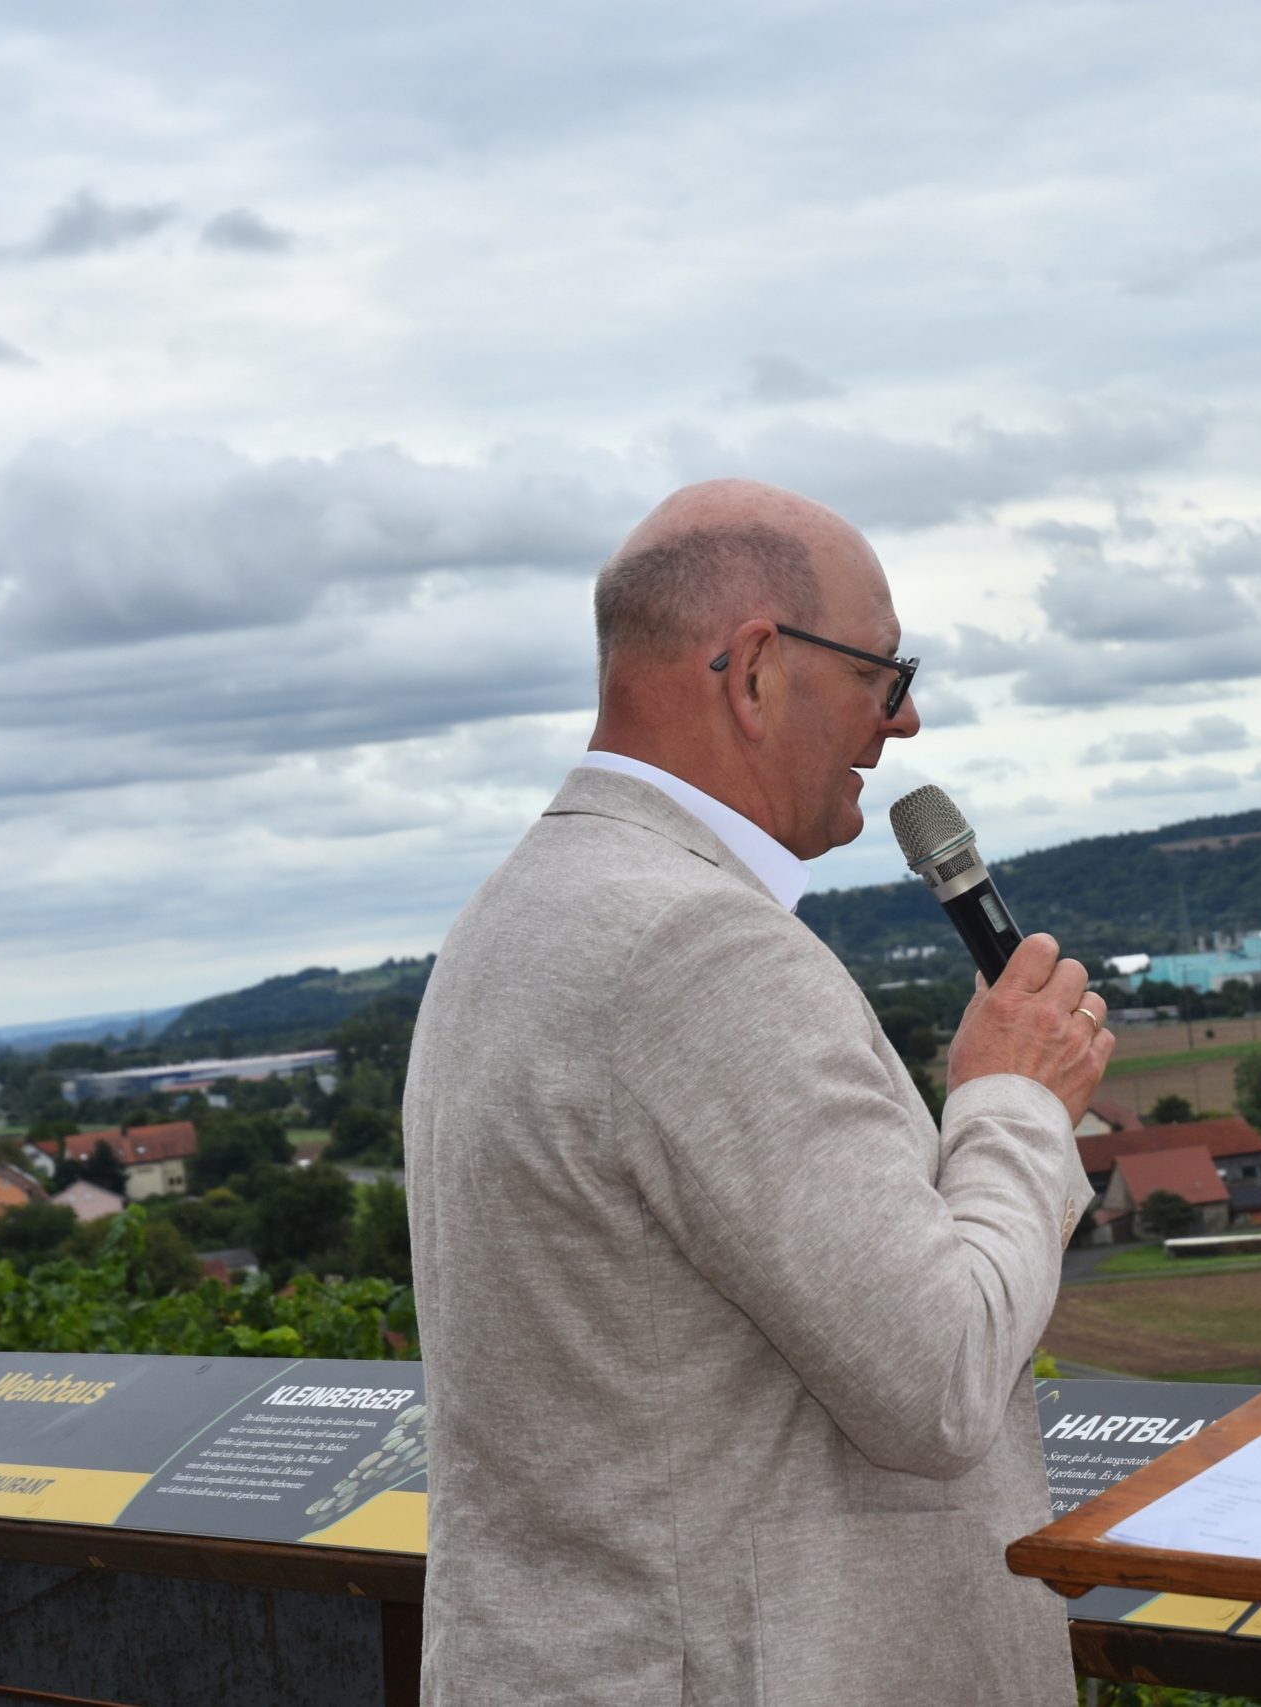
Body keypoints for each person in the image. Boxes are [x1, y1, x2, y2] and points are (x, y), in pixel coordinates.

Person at [403, 480, 1112, 1706]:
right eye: (884, 676)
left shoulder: (517, 914)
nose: (906, 722)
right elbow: (939, 1383)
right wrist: (1013, 1104)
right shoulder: (697, 951)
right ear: (755, 670)